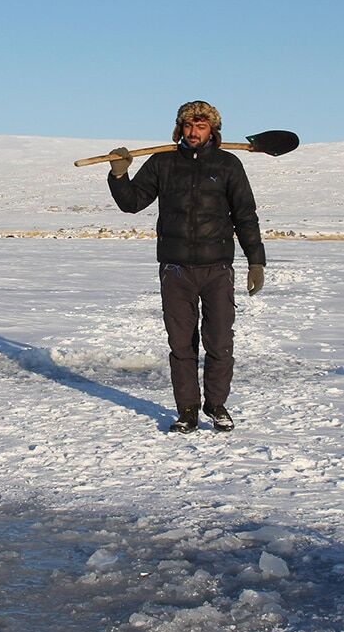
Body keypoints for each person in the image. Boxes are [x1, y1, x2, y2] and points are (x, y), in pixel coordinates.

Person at [106, 100, 266, 433]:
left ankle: (217, 405)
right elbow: (132, 203)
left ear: (212, 130)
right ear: (180, 128)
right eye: (189, 126)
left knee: (219, 341)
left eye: (201, 127)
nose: (194, 132)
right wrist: (119, 175)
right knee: (181, 344)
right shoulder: (162, 162)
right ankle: (188, 409)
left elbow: (245, 216)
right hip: (175, 268)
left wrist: (256, 261)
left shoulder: (228, 164)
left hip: (217, 268)